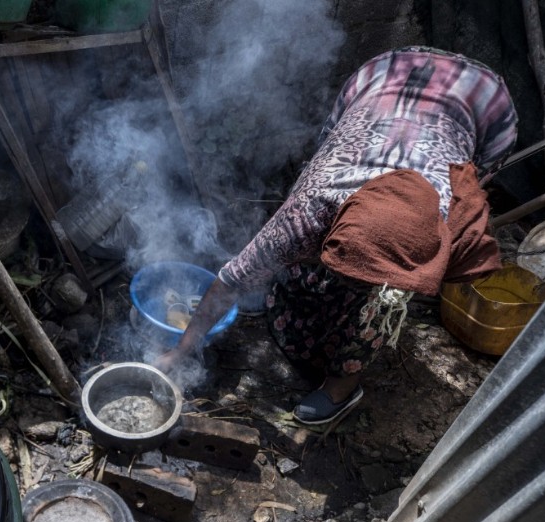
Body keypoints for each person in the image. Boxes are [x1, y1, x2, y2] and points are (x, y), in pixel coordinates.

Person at [154, 46, 518, 424]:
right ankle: (309, 308)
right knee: (304, 272)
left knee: (381, 304)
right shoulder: (307, 213)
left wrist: (376, 283)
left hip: (486, 105)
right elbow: (231, 280)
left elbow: (477, 175)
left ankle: (342, 387)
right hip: (386, 74)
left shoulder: (445, 217)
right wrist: (180, 351)